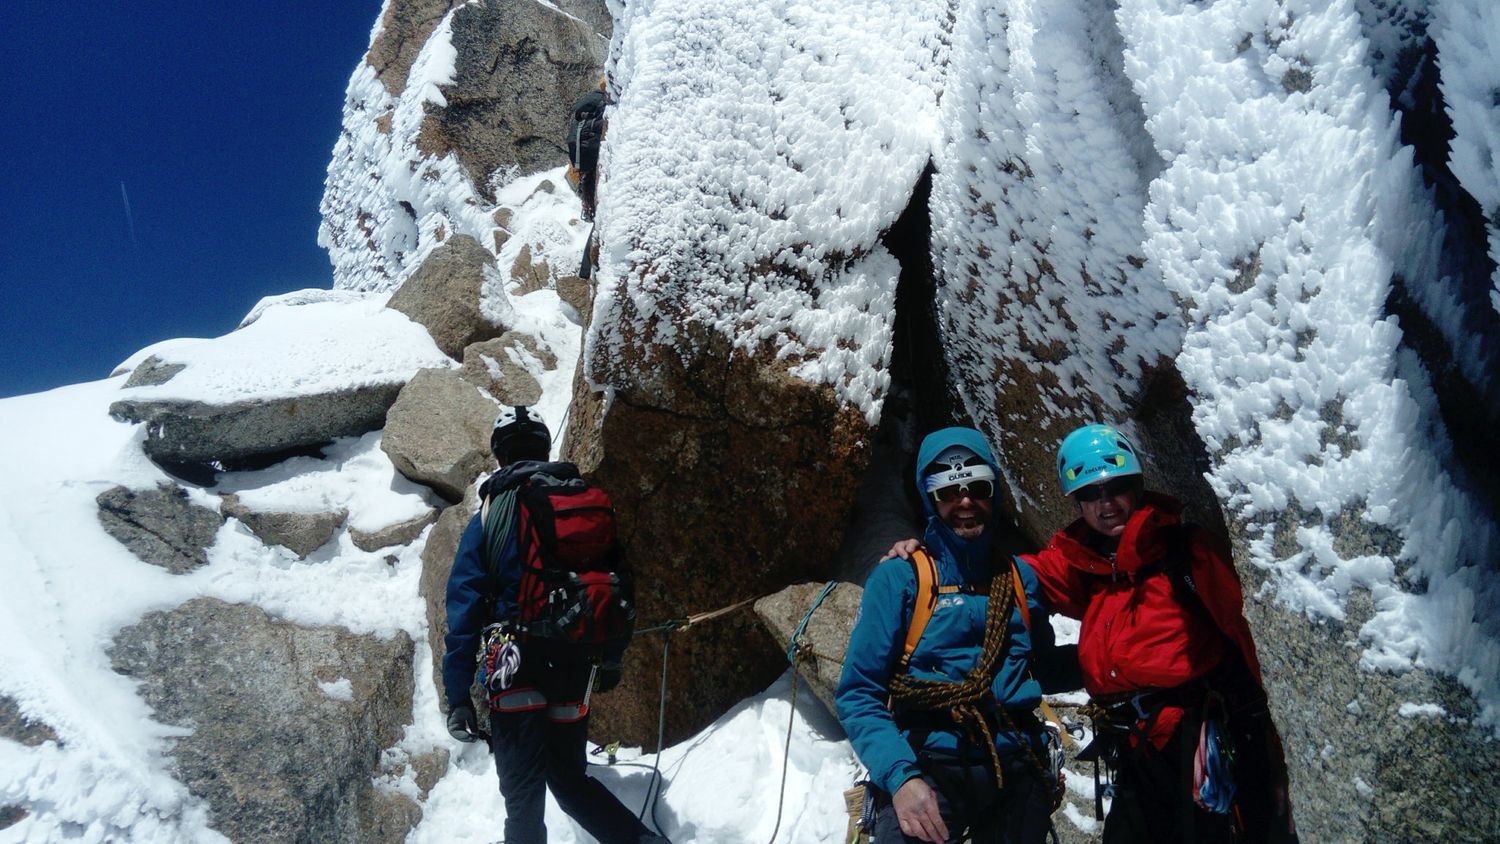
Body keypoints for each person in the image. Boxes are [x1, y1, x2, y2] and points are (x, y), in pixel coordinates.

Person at [893, 424, 1295, 842]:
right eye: (1090, 493)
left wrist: (1269, 756)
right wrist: (931, 552)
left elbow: (1250, 646)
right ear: (1076, 502)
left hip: (1197, 745)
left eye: (1116, 485)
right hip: (1135, 751)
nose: (1106, 503)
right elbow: (1001, 575)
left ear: (1137, 484)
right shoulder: (1085, 565)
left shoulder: (1185, 555)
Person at [442, 405, 668, 844]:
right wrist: (610, 659)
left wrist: (458, 697)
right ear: (544, 449)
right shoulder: (582, 501)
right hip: (577, 659)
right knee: (569, 780)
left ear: (499, 454)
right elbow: (615, 586)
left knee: (523, 794)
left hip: (514, 662)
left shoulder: (491, 513)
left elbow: (464, 606)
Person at [837, 426, 1065, 844]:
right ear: (930, 498)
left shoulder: (1019, 579)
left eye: (977, 487)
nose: (965, 501)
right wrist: (901, 779)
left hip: (1013, 762)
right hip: (929, 762)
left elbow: (1043, 667)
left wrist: (1129, 660)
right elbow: (858, 693)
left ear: (993, 493)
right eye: (948, 491)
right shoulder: (900, 579)